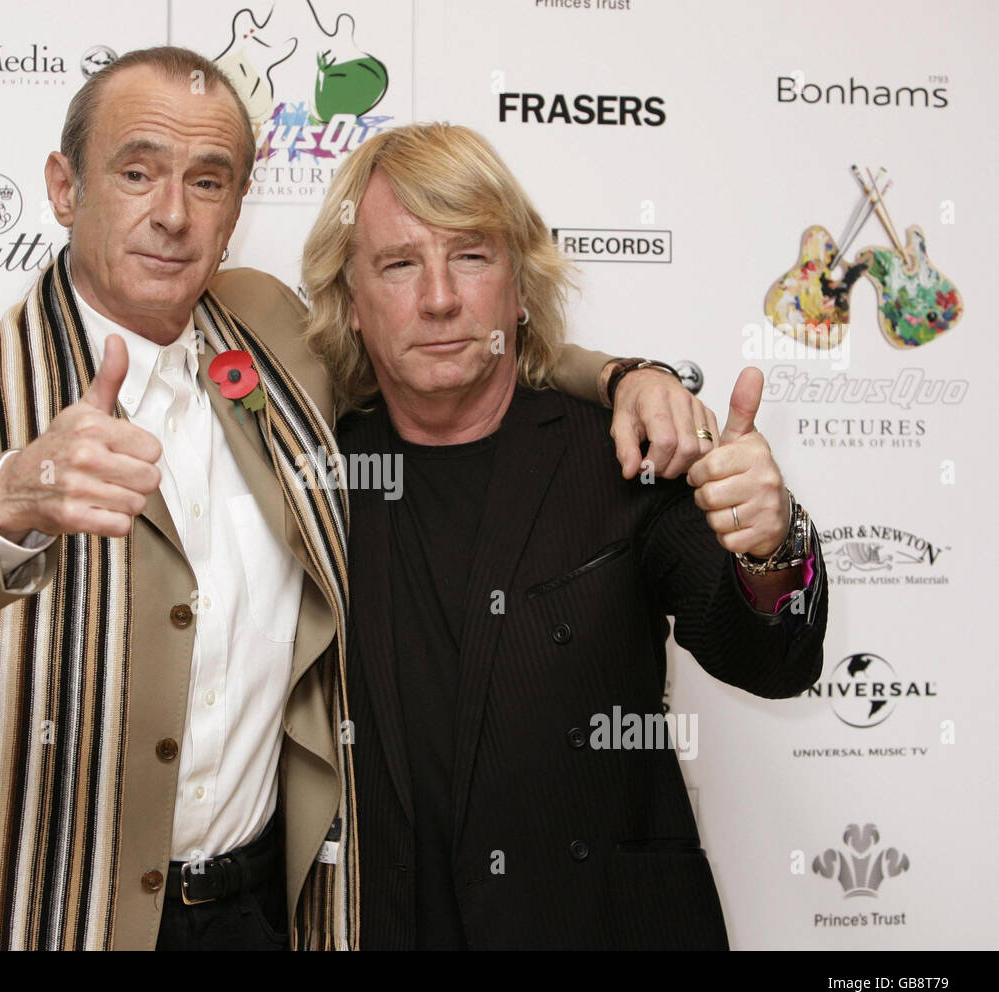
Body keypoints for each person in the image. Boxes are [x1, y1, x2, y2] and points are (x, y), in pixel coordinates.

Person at [0, 49, 712, 951]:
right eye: (138, 172)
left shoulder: (269, 331)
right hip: (47, 904)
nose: (172, 214)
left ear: (236, 211)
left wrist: (628, 375)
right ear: (65, 187)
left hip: (264, 911)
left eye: (209, 180)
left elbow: (454, 343)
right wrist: (11, 499)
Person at [298, 123, 828, 949]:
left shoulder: (624, 448)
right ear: (352, 303)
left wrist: (772, 545)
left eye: (471, 256)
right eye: (400, 263)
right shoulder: (315, 478)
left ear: (519, 285)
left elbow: (774, 659)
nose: (439, 297)